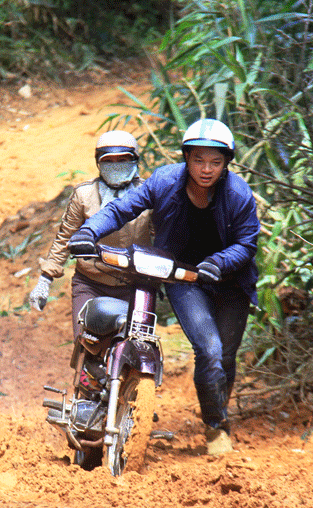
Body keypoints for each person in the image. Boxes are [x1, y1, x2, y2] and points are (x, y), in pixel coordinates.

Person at [68, 118, 260, 456]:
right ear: (186, 158)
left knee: (225, 358)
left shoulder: (239, 194)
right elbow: (121, 209)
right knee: (210, 349)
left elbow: (247, 244)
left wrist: (220, 261)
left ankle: (217, 420)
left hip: (230, 283)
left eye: (215, 162)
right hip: (184, 278)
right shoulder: (164, 182)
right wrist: (88, 232)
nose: (206, 169)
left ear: (227, 164)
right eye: (199, 159)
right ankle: (217, 430)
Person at [28, 130, 152, 337]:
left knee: (140, 341)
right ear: (98, 164)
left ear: (135, 160)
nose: (116, 165)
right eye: (109, 161)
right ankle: (83, 370)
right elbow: (65, 237)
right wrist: (45, 279)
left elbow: (167, 234)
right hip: (92, 283)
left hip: (136, 286)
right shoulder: (84, 195)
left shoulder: (149, 193)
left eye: (123, 159)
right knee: (87, 341)